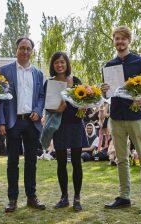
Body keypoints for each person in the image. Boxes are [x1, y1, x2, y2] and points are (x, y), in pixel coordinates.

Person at [101, 25, 141, 217]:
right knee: (121, 159)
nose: (120, 42)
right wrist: (103, 89)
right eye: (117, 39)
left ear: (129, 41)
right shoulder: (108, 65)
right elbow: (106, 94)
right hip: (116, 117)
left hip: (136, 117)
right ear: (114, 41)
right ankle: (124, 197)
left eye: (123, 39)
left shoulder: (140, 62)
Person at [0, 37, 46, 212]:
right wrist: (1, 121)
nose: (25, 52)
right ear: (16, 49)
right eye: (22, 48)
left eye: (28, 49)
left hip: (32, 123)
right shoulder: (4, 71)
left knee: (31, 161)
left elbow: (41, 96)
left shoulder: (38, 74)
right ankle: (12, 199)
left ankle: (31, 197)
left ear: (32, 51)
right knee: (12, 162)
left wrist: (38, 111)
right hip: (13, 122)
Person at [44, 51, 85, 211]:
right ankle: (64, 197)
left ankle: (77, 198)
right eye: (56, 63)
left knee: (76, 162)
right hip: (59, 125)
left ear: (67, 64)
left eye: (62, 62)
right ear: (53, 66)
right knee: (61, 162)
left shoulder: (75, 81)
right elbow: (47, 107)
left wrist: (83, 108)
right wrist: (56, 109)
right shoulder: (49, 83)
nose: (60, 65)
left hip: (75, 125)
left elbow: (84, 102)